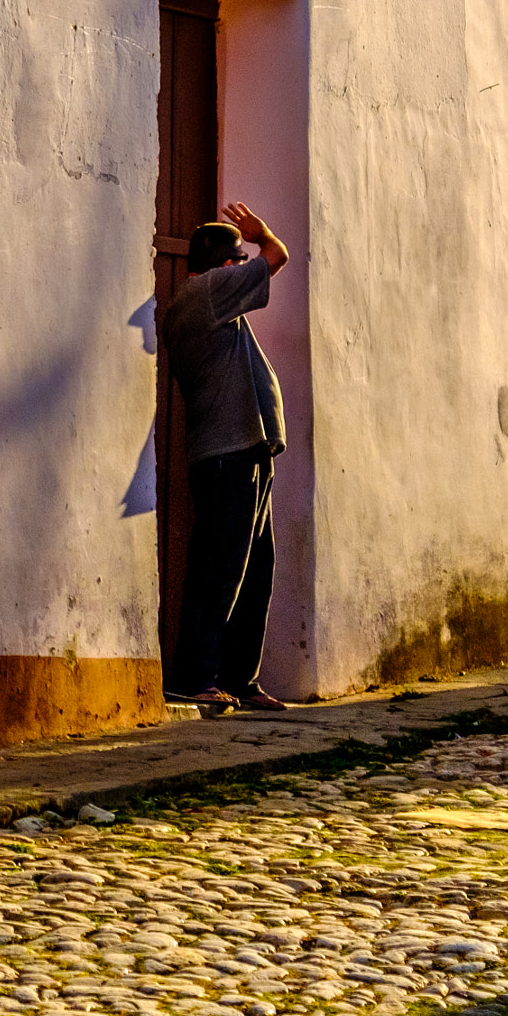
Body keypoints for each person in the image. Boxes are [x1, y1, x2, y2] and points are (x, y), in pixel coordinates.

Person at [157, 200, 289, 715]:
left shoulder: (212, 300)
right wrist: (260, 232)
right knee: (220, 566)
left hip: (247, 450)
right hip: (226, 453)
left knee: (255, 568)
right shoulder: (206, 293)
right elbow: (275, 256)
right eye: (237, 259)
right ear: (223, 266)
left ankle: (239, 677)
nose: (244, 268)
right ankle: (196, 676)